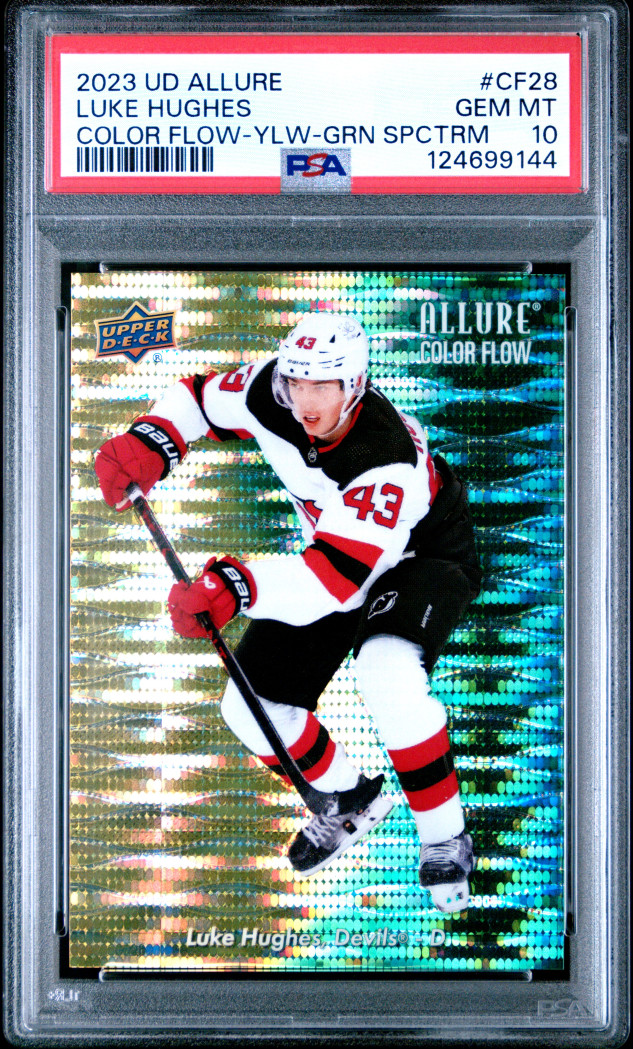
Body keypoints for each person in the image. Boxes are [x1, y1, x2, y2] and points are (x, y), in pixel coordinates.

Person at [95, 311, 482, 912]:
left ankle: (445, 836)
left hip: (420, 554)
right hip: (334, 551)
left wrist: (234, 587)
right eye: (295, 382)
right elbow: (198, 400)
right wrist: (151, 439)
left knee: (386, 673)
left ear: (354, 385)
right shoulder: (267, 390)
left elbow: (333, 584)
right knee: (249, 708)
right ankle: (348, 800)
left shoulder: (385, 459)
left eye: (321, 385)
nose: (304, 401)